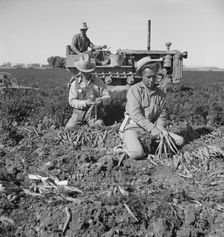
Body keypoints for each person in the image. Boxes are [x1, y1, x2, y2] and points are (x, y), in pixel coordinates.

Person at [119, 57, 184, 160]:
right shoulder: (134, 90)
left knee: (179, 141)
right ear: (141, 76)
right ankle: (122, 147)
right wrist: (153, 129)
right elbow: (135, 115)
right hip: (133, 127)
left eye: (154, 76)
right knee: (137, 153)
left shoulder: (160, 93)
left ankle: (147, 145)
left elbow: (162, 114)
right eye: (148, 77)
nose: (152, 80)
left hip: (151, 129)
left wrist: (160, 129)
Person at [65, 54, 111, 131]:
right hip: (78, 115)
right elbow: (72, 101)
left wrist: (101, 100)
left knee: (99, 127)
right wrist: (85, 103)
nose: (85, 73)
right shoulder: (74, 83)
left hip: (94, 114)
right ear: (79, 70)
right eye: (83, 71)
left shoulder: (98, 81)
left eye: (87, 71)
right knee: (68, 130)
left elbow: (108, 98)